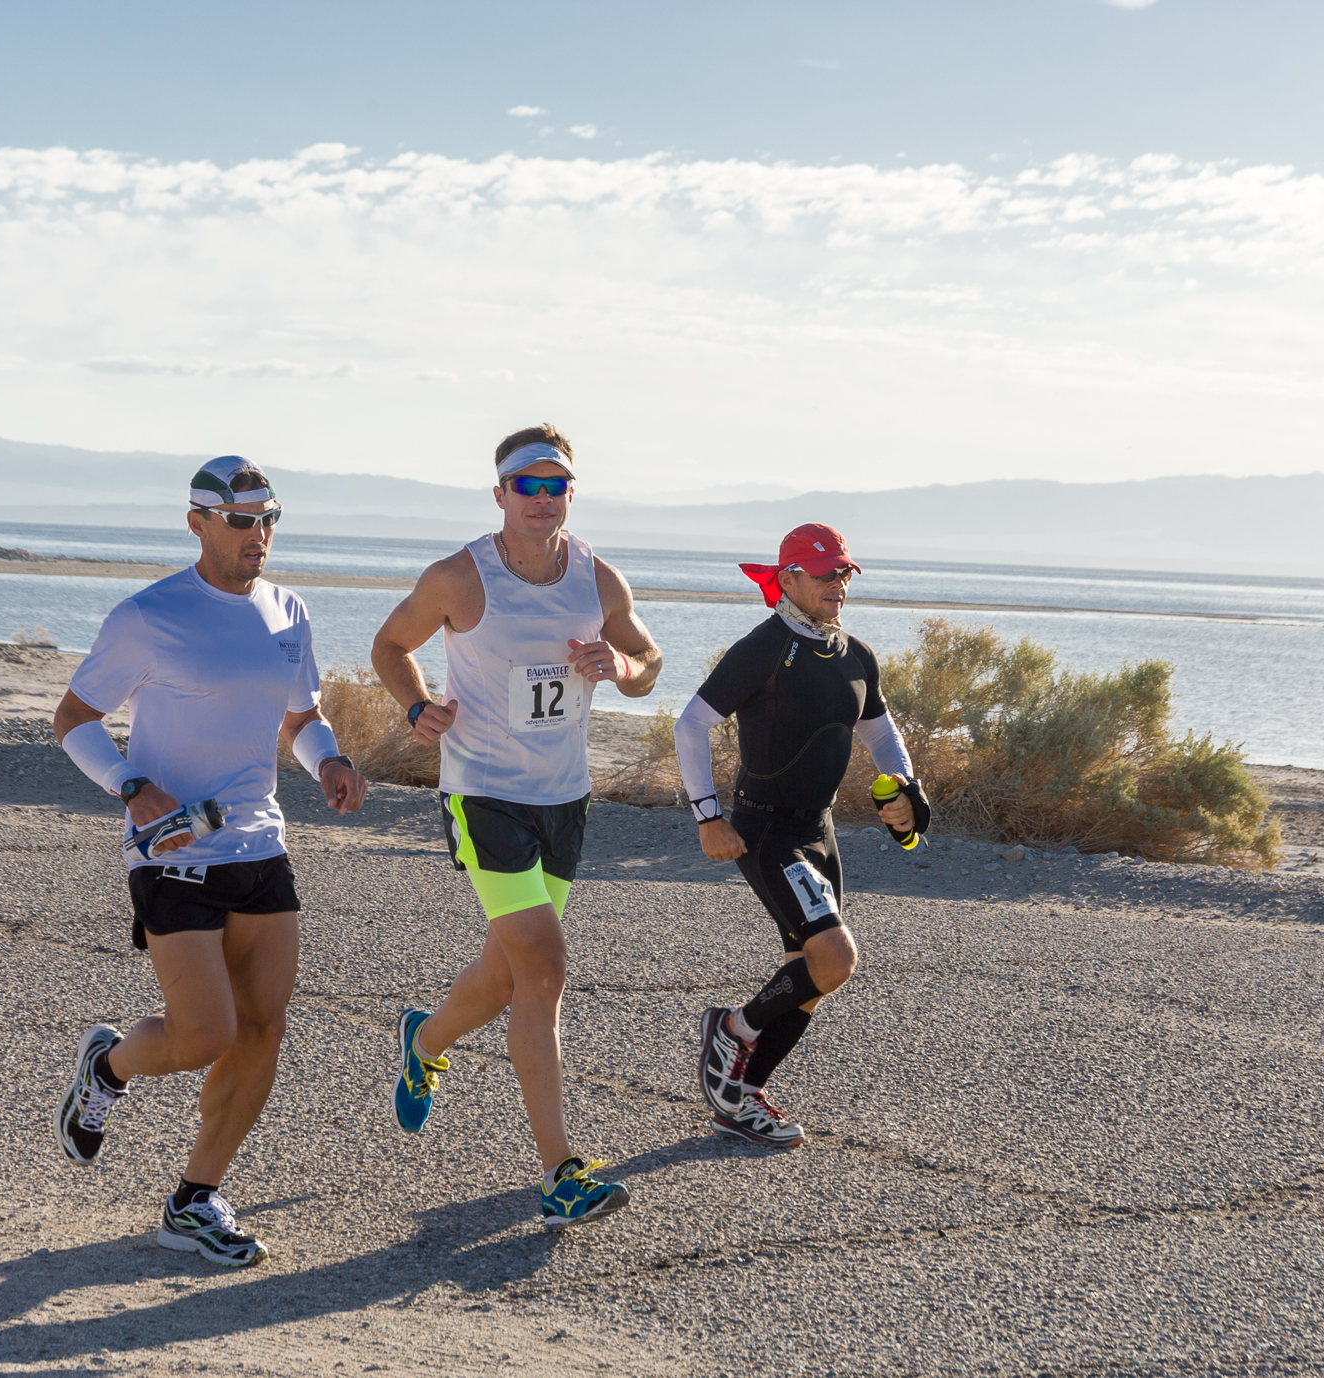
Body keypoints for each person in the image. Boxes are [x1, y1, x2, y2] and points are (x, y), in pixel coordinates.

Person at [50, 454, 367, 1267]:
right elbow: (74, 717)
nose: (257, 534)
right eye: (240, 520)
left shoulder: (288, 610)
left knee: (261, 1029)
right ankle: (109, 1065)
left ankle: (193, 1200)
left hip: (260, 843)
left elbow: (302, 718)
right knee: (204, 1032)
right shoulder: (148, 616)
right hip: (171, 848)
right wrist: (131, 785)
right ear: (196, 522)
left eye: (268, 518)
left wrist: (326, 761)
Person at [371, 424, 662, 1229]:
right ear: (498, 493)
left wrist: (622, 667)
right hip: (485, 794)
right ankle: (560, 1172)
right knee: (545, 970)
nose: (542, 499)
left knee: (506, 977)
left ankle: (424, 1040)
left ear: (573, 492)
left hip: (564, 797)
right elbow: (391, 645)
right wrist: (416, 706)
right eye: (525, 486)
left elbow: (649, 663)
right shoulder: (460, 578)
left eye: (556, 486)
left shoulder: (597, 577)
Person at [675, 523, 928, 1147]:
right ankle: (733, 1029)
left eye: (843, 573)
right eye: (824, 574)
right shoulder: (763, 648)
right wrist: (709, 816)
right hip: (764, 830)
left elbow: (881, 735)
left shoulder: (856, 654)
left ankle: (741, 1095)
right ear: (788, 579)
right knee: (835, 959)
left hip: (819, 831)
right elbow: (691, 726)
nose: (837, 584)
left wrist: (905, 789)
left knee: (810, 978)